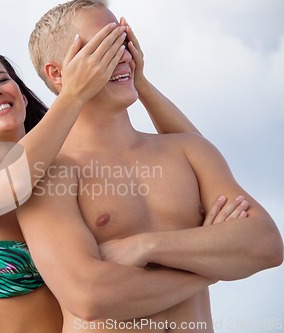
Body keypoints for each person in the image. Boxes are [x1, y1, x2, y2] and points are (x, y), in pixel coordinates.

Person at [0, 17, 227, 333]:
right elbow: (15, 183)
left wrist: (141, 83)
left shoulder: (66, 171)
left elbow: (199, 161)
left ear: (23, 96)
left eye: (1, 80)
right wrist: (211, 269)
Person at [17, 1, 283, 332]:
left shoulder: (186, 149)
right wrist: (217, 265)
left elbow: (266, 245)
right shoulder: (49, 174)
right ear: (58, 74)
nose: (123, 54)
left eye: (124, 39)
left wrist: (145, 246)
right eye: (104, 46)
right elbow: (89, 296)